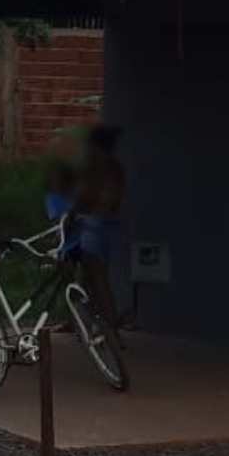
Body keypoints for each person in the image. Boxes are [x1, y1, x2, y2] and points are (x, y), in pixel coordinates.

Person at [74, 124, 128, 348]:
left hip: (92, 224)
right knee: (88, 278)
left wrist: (81, 210)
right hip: (101, 225)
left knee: (96, 278)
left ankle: (110, 329)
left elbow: (95, 198)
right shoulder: (113, 167)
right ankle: (91, 324)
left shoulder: (98, 166)